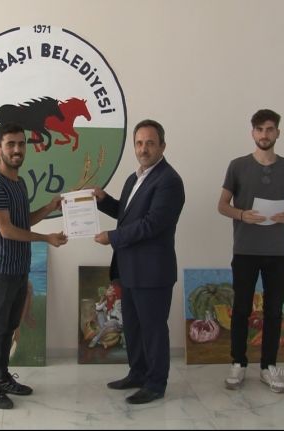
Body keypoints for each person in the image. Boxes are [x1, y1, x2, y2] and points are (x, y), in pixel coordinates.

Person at [92, 119, 185, 404]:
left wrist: (113, 237)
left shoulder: (169, 181)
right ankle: (138, 373)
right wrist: (103, 200)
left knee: (153, 329)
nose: (143, 149)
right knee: (133, 327)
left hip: (153, 272)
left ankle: (155, 384)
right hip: (130, 269)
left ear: (162, 146)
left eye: (150, 143)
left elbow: (151, 224)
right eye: (139, 143)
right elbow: (127, 214)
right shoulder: (134, 179)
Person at [0, 122, 68, 410]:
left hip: (19, 269)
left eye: (21, 144)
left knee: (9, 327)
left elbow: (22, 221)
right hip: (0, 270)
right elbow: (6, 230)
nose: (17, 149)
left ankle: (1, 377)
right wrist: (47, 239)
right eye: (11, 144)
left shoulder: (19, 184)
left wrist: (50, 207)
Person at [217, 109, 284, 394]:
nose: (264, 134)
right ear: (252, 132)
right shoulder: (237, 166)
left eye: (269, 129)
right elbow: (222, 205)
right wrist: (242, 215)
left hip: (278, 252)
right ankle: (238, 363)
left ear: (278, 132)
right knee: (241, 309)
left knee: (274, 312)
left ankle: (268, 366)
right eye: (259, 129)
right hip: (245, 250)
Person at [88, 283, 124, 349]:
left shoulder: (118, 302)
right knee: (100, 313)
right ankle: (102, 338)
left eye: (109, 289)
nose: (107, 290)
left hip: (117, 325)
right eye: (108, 289)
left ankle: (95, 339)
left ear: (114, 293)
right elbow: (97, 308)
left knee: (112, 321)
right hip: (107, 325)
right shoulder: (107, 301)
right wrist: (102, 298)